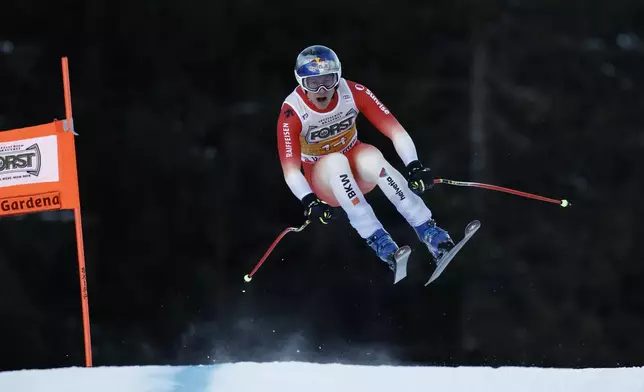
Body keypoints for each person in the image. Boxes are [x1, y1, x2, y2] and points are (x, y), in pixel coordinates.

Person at [276, 44, 454, 281]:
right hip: (324, 179)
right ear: (301, 83)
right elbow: (290, 171)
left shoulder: (353, 91)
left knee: (371, 157)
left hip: (357, 165)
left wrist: (414, 165)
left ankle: (431, 233)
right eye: (312, 83)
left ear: (338, 77)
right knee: (336, 162)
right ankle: (380, 243)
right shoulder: (292, 112)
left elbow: (396, 131)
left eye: (328, 80)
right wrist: (309, 200)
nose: (321, 89)